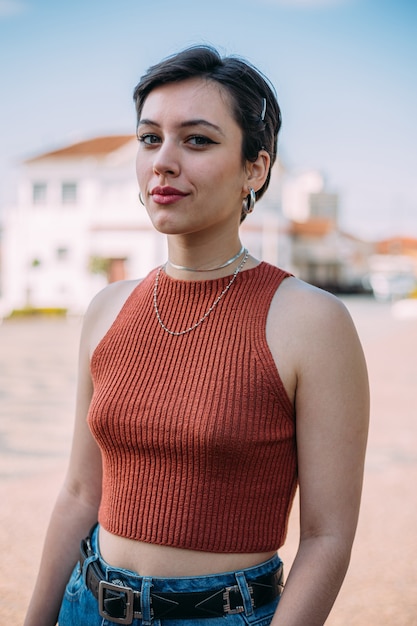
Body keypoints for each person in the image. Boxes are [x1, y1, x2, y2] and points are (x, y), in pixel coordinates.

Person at [24, 45, 369, 626]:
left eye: (198, 140)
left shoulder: (311, 320)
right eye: (149, 138)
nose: (163, 160)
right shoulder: (108, 308)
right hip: (85, 605)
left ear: (255, 169)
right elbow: (81, 493)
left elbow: (327, 537)